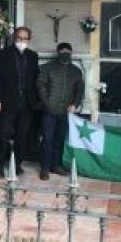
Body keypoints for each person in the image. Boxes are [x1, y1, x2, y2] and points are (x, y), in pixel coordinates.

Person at [0, 26, 40, 178]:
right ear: (14, 38)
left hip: (26, 103)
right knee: (3, 135)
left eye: (25, 39)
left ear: (29, 40)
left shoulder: (33, 56)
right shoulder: (3, 54)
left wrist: (36, 100)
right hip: (7, 102)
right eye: (19, 38)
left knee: (22, 135)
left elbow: (35, 79)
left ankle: (17, 164)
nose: (21, 41)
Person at [36, 42, 84, 180]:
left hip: (65, 111)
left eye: (68, 51)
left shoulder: (76, 71)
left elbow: (79, 90)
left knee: (60, 139)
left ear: (71, 53)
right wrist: (47, 103)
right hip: (49, 111)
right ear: (58, 52)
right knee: (47, 139)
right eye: (62, 51)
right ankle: (44, 168)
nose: (65, 53)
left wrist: (75, 104)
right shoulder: (47, 68)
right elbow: (40, 86)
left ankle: (55, 165)